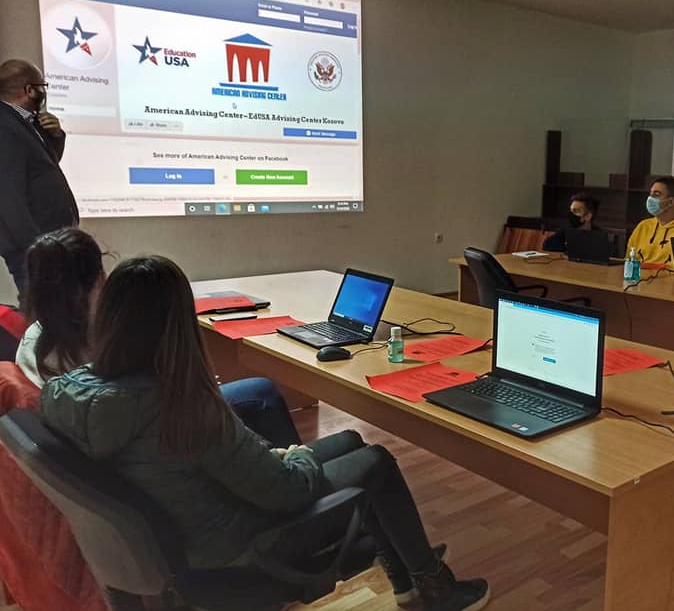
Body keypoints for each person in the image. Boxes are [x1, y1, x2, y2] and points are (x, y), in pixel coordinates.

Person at [41, 255, 490, 610]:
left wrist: (274, 457)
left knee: (352, 442)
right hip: (234, 544)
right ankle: (433, 586)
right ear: (178, 325)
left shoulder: (69, 393)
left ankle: (407, 576)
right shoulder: (184, 408)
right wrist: (290, 456)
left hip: (182, 529)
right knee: (376, 461)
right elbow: (288, 492)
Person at [19, 228, 302, 449]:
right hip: (146, 433)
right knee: (261, 393)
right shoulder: (88, 343)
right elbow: (143, 403)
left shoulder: (38, 338)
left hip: (120, 433)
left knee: (254, 392)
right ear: (99, 280)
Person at [0, 60, 78, 302]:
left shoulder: (24, 121)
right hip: (35, 250)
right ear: (30, 90)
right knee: (44, 313)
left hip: (49, 245)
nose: (44, 93)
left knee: (61, 310)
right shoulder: (4, 125)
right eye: (42, 86)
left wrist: (55, 136)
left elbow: (44, 169)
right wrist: (37, 247)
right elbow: (9, 197)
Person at [625, 176, 674, 265]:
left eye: (657, 194)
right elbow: (628, 261)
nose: (650, 198)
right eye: (650, 193)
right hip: (641, 273)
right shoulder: (643, 226)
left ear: (671, 202)